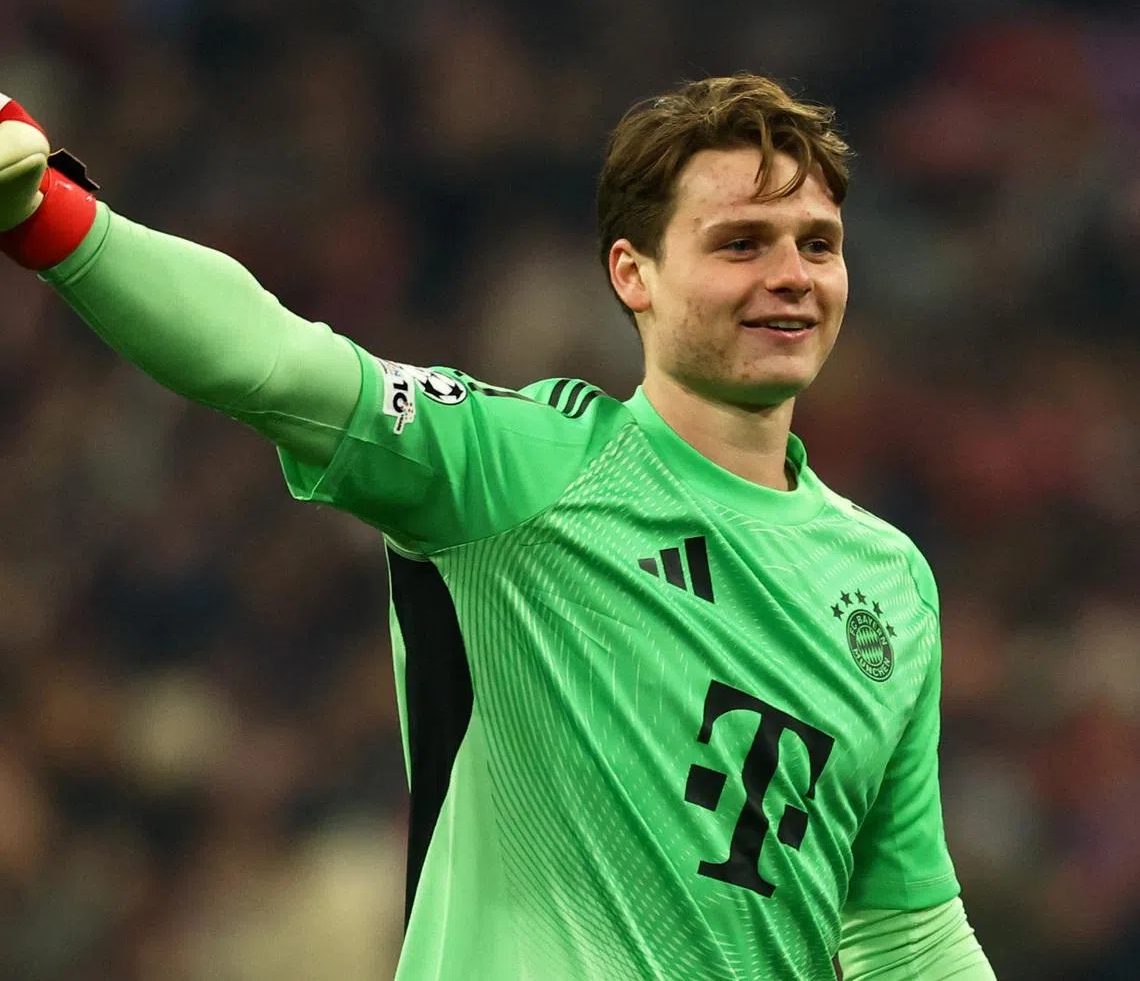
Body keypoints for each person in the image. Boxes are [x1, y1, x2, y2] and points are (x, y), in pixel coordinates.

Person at [0, 75, 995, 980]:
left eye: (817, 244)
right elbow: (274, 363)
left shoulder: (889, 579)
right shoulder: (532, 468)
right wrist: (49, 216)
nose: (793, 275)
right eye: (741, 243)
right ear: (633, 274)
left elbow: (904, 935)